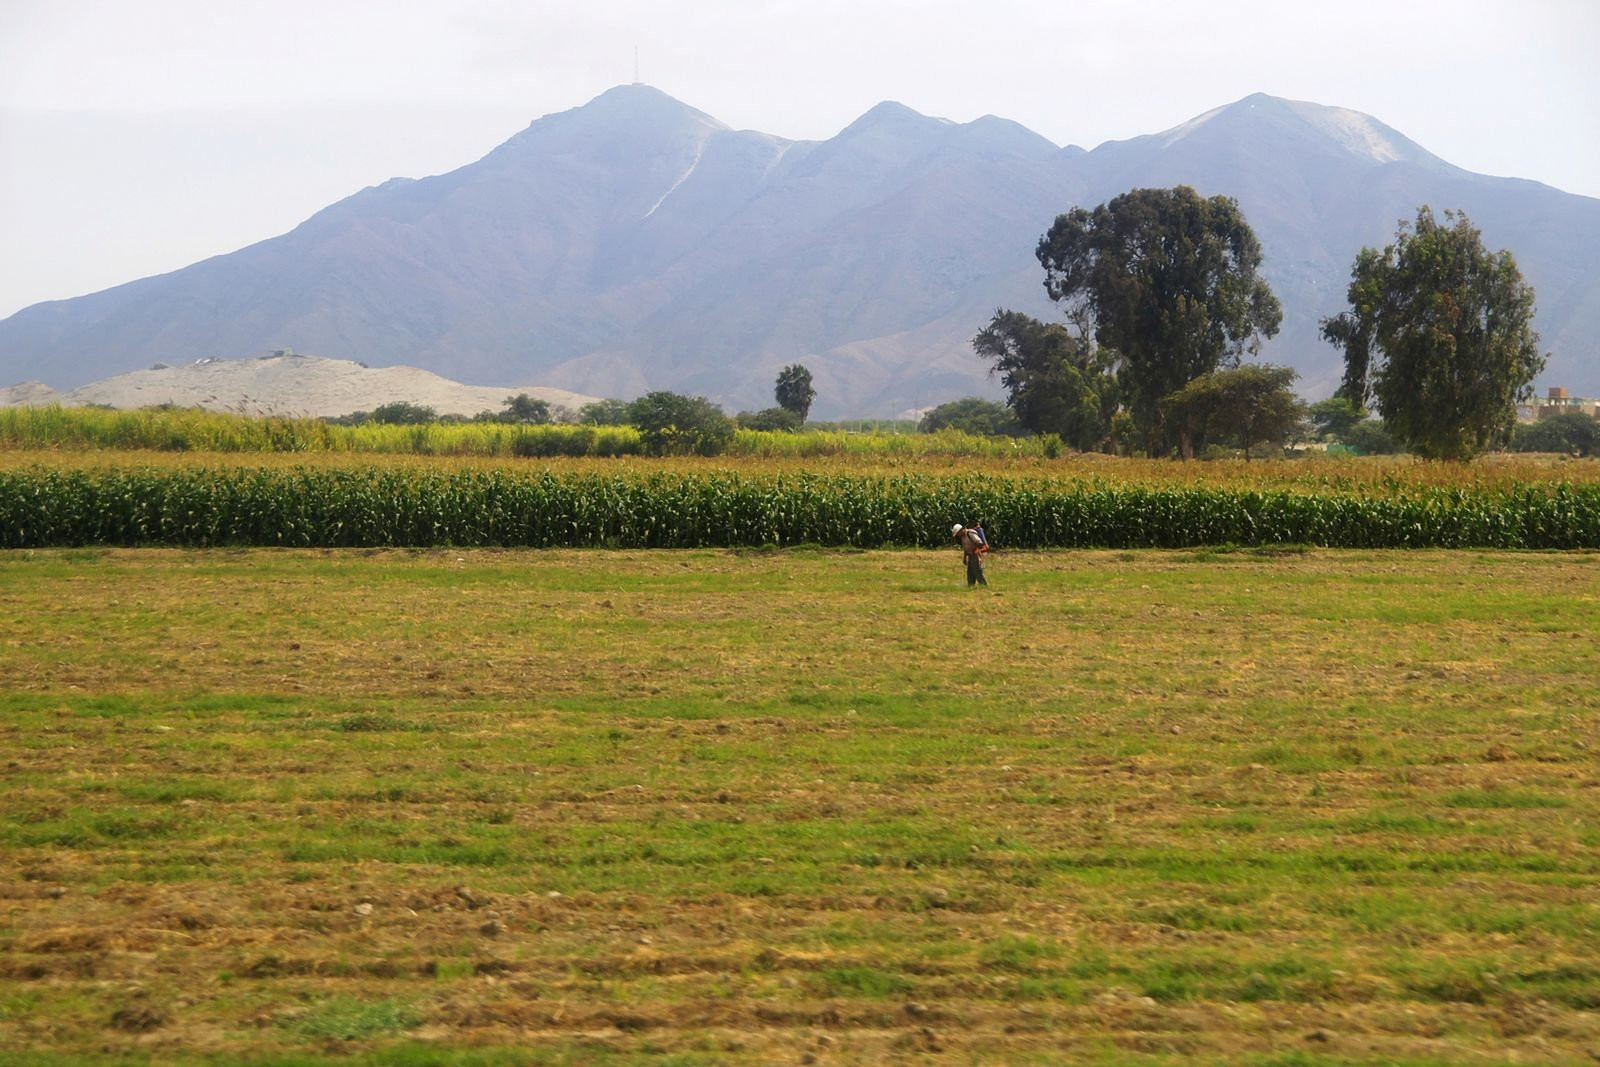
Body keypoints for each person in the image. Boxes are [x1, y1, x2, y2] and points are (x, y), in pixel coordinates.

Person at [951, 523, 988, 587]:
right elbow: (965, 548)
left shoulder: (970, 533)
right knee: (970, 572)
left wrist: (976, 550)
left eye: (958, 533)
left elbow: (979, 543)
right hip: (970, 555)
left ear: (961, 530)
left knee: (977, 571)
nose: (958, 535)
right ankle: (971, 586)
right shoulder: (963, 537)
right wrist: (964, 558)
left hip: (975, 555)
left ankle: (983, 585)